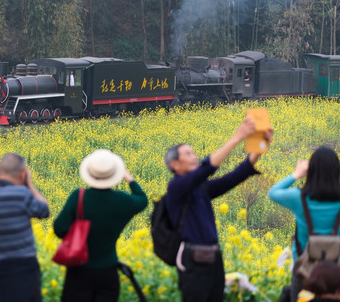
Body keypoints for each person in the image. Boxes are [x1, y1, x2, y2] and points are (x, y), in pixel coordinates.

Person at [165, 117, 272, 302]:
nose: (194, 156)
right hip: (193, 260)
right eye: (188, 153)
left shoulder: (201, 188)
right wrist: (236, 138)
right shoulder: (176, 188)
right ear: (174, 164)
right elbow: (207, 169)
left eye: (193, 153)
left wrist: (260, 147)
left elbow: (234, 177)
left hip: (213, 258)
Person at [53, 149, 148, 302]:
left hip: (79, 272)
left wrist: (78, 233)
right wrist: (129, 178)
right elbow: (142, 199)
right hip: (108, 273)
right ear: (115, 175)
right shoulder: (123, 201)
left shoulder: (79, 196)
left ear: (90, 173)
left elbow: (59, 229)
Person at [268, 146, 340, 302]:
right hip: (337, 275)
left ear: (311, 171)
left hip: (304, 272)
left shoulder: (299, 198)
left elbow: (273, 192)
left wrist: (297, 174)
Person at [0, 153, 49, 302]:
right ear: (23, 174)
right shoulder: (23, 194)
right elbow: (44, 211)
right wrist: (29, 184)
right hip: (24, 268)